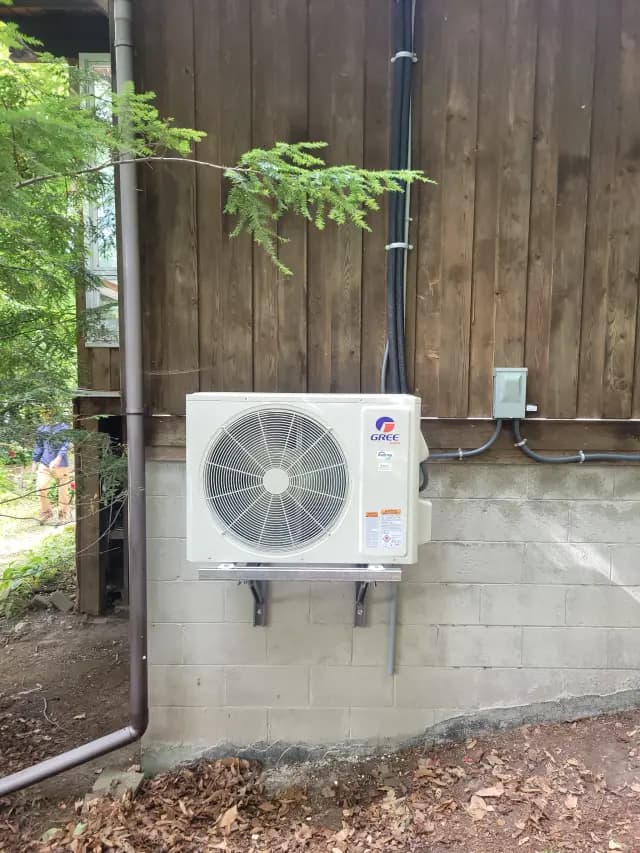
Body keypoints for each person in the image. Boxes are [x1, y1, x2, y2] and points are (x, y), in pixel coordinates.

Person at [31, 422, 73, 525]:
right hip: (44, 463)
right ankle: (46, 512)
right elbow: (39, 445)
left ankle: (64, 515)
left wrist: (58, 458)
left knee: (63, 490)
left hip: (61, 464)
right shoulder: (41, 428)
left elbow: (66, 444)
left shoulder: (64, 427)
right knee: (40, 487)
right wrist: (34, 461)